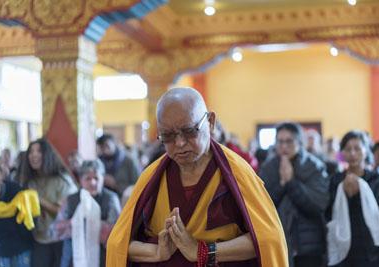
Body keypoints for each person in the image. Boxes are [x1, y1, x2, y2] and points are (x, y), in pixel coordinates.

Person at [106, 87, 288, 267]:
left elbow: (267, 239)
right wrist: (156, 252)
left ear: (210, 122)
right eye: (167, 136)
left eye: (189, 131)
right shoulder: (151, 177)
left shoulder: (237, 173)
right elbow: (118, 244)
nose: (179, 143)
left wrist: (203, 251)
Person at [259, 122, 329, 267]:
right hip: (279, 242)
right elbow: (263, 206)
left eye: (289, 141)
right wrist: (282, 185)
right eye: (280, 141)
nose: (284, 146)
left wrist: (291, 183)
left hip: (309, 246)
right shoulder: (268, 168)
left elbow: (318, 205)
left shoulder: (314, 166)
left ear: (299, 142)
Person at [326, 131, 379, 267]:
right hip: (346, 248)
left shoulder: (377, 178)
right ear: (342, 153)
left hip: (374, 249)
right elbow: (330, 213)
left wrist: (359, 193)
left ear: (366, 151)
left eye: (357, 148)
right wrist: (347, 195)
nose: (352, 153)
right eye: (348, 149)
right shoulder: (336, 180)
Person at [51, 160, 121, 267]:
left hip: (103, 258)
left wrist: (95, 224)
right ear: (80, 180)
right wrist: (75, 223)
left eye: (96, 178)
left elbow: (118, 232)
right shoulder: (70, 200)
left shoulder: (111, 199)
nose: (93, 183)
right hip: (74, 257)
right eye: (88, 178)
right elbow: (54, 231)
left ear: (103, 178)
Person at [22, 138, 78, 267]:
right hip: (39, 238)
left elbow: (65, 213)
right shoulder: (30, 181)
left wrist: (38, 199)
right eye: (31, 151)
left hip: (61, 240)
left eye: (39, 151)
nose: (34, 155)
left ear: (47, 155)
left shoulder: (62, 180)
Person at [0, 163, 34, 267]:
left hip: (21, 249)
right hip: (2, 252)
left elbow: (28, 218)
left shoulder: (16, 190)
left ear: (0, 175)